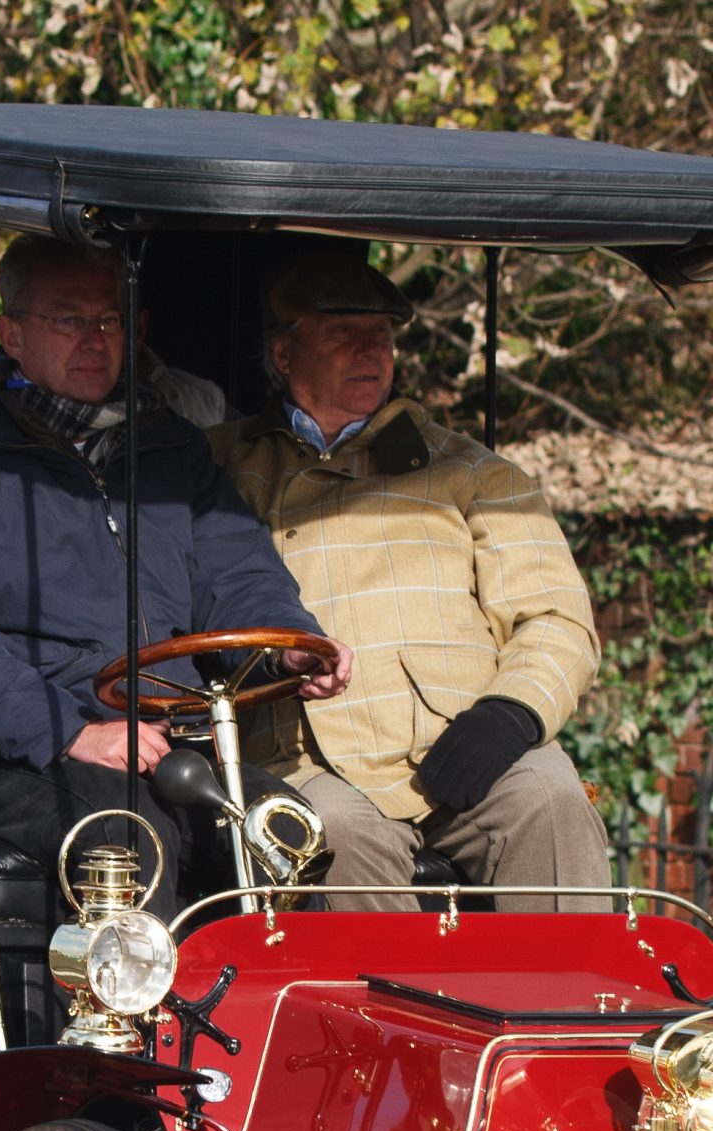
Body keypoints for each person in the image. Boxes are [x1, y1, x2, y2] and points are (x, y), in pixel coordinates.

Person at [0, 236, 351, 914]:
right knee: (131, 840)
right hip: (12, 751)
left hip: (165, 736)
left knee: (286, 832)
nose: (94, 339)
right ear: (11, 334)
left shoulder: (169, 449)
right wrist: (71, 731)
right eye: (68, 320)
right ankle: (128, 1022)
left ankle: (267, 1020)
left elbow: (239, 572)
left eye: (110, 320)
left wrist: (289, 643)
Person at [210, 252, 611, 911]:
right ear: (284, 354)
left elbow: (557, 618)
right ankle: (387, 1017)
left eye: (382, 335)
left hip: (465, 747)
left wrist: (510, 713)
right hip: (308, 758)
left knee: (553, 799)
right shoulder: (224, 464)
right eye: (344, 334)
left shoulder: (474, 473)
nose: (370, 351)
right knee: (328, 834)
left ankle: (568, 1011)